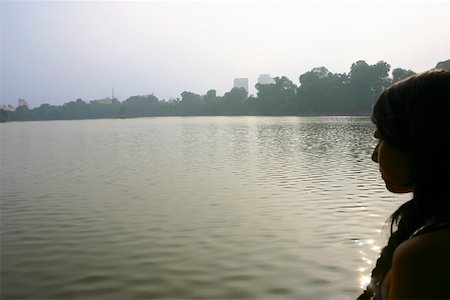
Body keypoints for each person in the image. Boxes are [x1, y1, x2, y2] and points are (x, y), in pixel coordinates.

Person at [357, 68, 450, 299]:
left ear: (422, 143)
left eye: (381, 139)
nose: (374, 155)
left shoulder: (426, 254)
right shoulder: (427, 225)